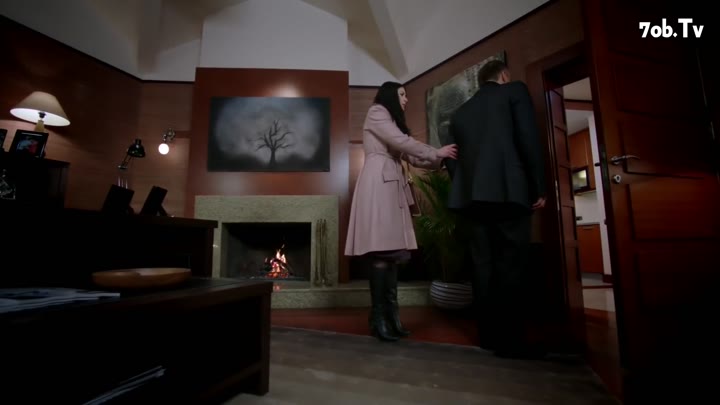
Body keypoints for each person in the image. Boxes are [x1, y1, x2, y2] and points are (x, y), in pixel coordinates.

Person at [444, 59, 547, 357]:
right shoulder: (514, 91)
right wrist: (537, 185)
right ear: (504, 75)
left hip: (473, 199)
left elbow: (451, 157)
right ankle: (511, 341)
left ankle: (488, 337)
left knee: (483, 265)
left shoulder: (460, 113)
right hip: (509, 193)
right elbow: (527, 138)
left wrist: (465, 187)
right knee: (511, 264)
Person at [346, 81, 458, 342]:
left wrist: (440, 158)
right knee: (380, 251)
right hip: (379, 184)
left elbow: (412, 155)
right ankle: (379, 318)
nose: (406, 99)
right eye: (402, 94)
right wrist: (436, 151)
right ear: (390, 95)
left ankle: (391, 316)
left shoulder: (392, 123)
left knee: (391, 254)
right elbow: (402, 142)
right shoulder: (377, 112)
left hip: (391, 185)